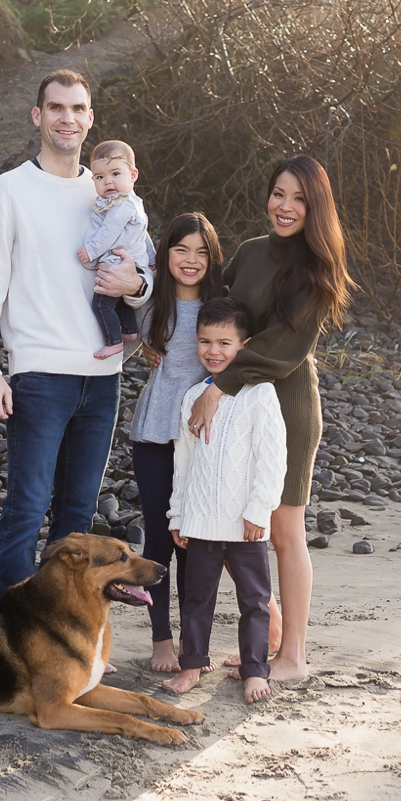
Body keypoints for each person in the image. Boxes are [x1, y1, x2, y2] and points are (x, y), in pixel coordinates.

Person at [0, 69, 150, 599]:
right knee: (26, 508)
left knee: (78, 516)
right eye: (56, 108)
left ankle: (67, 629)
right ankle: (8, 631)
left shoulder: (112, 191)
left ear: (90, 119)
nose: (66, 118)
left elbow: (145, 274)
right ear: (38, 116)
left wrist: (138, 287)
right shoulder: (8, 191)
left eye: (76, 109)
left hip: (104, 378)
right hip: (40, 376)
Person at [186, 155, 352, 683]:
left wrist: (218, 386)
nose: (285, 206)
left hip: (286, 406)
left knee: (283, 531)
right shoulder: (251, 252)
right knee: (228, 520)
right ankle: (272, 633)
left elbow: (283, 346)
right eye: (279, 193)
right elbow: (214, 313)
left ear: (315, 207)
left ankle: (293, 657)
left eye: (299, 198)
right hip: (236, 405)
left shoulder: (316, 268)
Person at [161, 298, 282, 705]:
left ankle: (255, 670)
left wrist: (259, 510)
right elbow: (183, 462)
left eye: (224, 343)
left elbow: (272, 459)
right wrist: (178, 514)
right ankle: (192, 665)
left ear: (244, 346)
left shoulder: (261, 394)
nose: (213, 351)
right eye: (205, 341)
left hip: (246, 523)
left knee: (255, 601)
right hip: (200, 521)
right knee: (196, 599)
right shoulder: (194, 397)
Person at [124, 212, 224, 672]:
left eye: (201, 252)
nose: (191, 259)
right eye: (181, 249)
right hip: (156, 430)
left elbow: (242, 352)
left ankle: (192, 638)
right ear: (165, 254)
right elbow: (117, 319)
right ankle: (161, 636)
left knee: (196, 540)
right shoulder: (149, 300)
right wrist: (138, 348)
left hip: (202, 433)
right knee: (160, 536)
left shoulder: (220, 306)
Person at [75, 139, 153, 360]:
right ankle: (129, 331)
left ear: (133, 175)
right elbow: (144, 235)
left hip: (117, 264)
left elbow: (108, 232)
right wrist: (152, 258)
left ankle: (114, 342)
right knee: (119, 299)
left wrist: (91, 251)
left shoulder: (121, 205)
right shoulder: (135, 203)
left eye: (115, 174)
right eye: (100, 177)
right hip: (132, 264)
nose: (108, 181)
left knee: (102, 305)